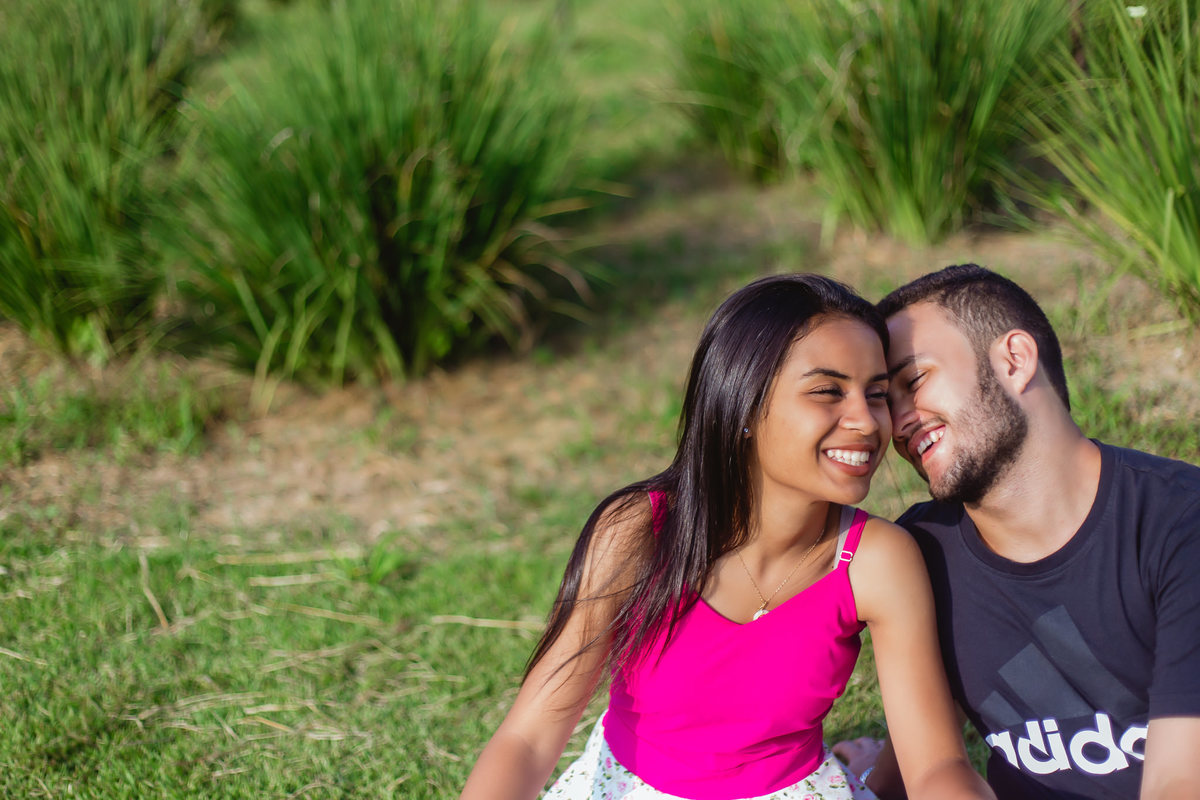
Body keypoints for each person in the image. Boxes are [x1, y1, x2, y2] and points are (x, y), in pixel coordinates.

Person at [461, 274, 995, 800]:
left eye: (876, 394)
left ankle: (850, 764)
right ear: (743, 403)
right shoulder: (640, 532)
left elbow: (936, 767)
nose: (865, 420)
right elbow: (528, 739)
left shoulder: (875, 561)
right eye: (828, 391)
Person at [835, 264, 1200, 800]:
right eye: (888, 401)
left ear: (1014, 360)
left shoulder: (1178, 525)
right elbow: (928, 761)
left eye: (913, 382)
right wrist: (863, 784)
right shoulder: (922, 554)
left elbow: (1178, 784)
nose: (899, 421)